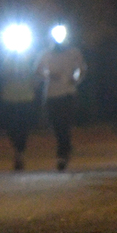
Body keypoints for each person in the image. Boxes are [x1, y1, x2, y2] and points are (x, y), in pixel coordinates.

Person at [34, 26, 87, 171]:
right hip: (51, 95)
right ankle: (65, 147)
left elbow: (82, 69)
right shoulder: (45, 54)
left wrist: (75, 79)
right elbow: (38, 70)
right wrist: (49, 75)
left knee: (65, 124)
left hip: (68, 93)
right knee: (57, 125)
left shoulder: (73, 53)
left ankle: (62, 153)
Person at [0, 38, 39, 171]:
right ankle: (17, 149)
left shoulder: (30, 58)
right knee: (11, 127)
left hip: (26, 97)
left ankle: (20, 152)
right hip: (9, 97)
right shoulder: (6, 59)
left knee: (23, 126)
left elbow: (36, 76)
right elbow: (1, 75)